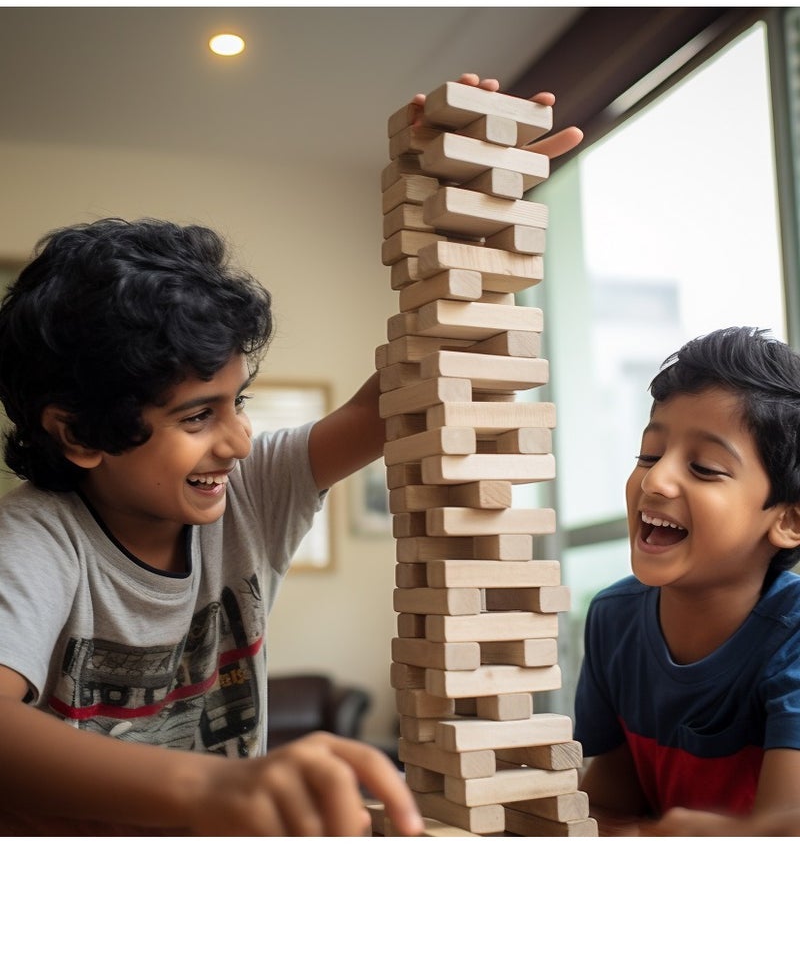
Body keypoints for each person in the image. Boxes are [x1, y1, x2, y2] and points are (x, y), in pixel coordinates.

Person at [0, 74, 583, 836]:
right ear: (78, 433)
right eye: (198, 415)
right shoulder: (39, 541)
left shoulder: (250, 492)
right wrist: (218, 790)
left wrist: (463, 196)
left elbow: (399, 394)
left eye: (237, 403)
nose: (238, 441)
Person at [574, 326, 800, 837]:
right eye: (649, 455)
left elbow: (783, 835)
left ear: (788, 521)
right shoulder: (612, 618)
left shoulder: (793, 639)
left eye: (703, 467)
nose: (655, 481)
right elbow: (610, 801)